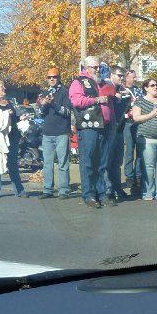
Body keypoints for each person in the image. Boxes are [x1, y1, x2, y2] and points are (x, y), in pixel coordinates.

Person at [69, 55, 110, 208]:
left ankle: (102, 193)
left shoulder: (100, 82)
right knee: (88, 162)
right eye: (95, 67)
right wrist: (96, 100)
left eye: (99, 67)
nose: (98, 69)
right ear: (86, 68)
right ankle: (89, 194)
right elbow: (76, 101)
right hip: (88, 127)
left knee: (101, 162)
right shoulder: (78, 82)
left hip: (104, 126)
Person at [0, 79, 27, 199]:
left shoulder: (8, 102)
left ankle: (19, 191)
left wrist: (19, 117)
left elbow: (13, 119)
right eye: (1, 87)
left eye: (4, 87)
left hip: (11, 137)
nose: (4, 89)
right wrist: (4, 114)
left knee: (13, 164)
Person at [132, 79, 157, 200]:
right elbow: (136, 118)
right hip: (147, 138)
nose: (155, 87)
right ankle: (148, 192)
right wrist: (152, 114)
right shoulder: (140, 101)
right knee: (148, 166)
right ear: (146, 88)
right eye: (152, 85)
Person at [37, 67, 72, 200]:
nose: (52, 79)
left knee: (63, 162)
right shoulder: (44, 93)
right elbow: (40, 114)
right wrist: (43, 105)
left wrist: (53, 104)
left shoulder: (65, 92)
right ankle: (48, 189)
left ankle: (64, 190)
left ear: (59, 78)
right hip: (47, 132)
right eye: (49, 77)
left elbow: (67, 112)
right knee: (47, 162)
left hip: (62, 132)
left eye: (54, 77)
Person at [102, 65, 132, 203]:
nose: (121, 78)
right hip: (108, 131)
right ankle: (108, 191)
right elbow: (104, 97)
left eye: (123, 76)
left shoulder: (124, 90)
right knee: (107, 162)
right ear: (112, 75)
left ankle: (117, 188)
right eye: (119, 75)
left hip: (119, 130)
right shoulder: (107, 87)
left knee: (116, 162)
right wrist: (115, 96)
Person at [121, 69, 144, 192]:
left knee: (140, 151)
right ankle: (129, 176)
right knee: (129, 150)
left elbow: (142, 103)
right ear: (126, 78)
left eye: (135, 77)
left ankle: (138, 175)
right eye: (133, 77)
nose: (135, 79)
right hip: (127, 124)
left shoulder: (138, 90)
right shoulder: (122, 90)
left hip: (138, 123)